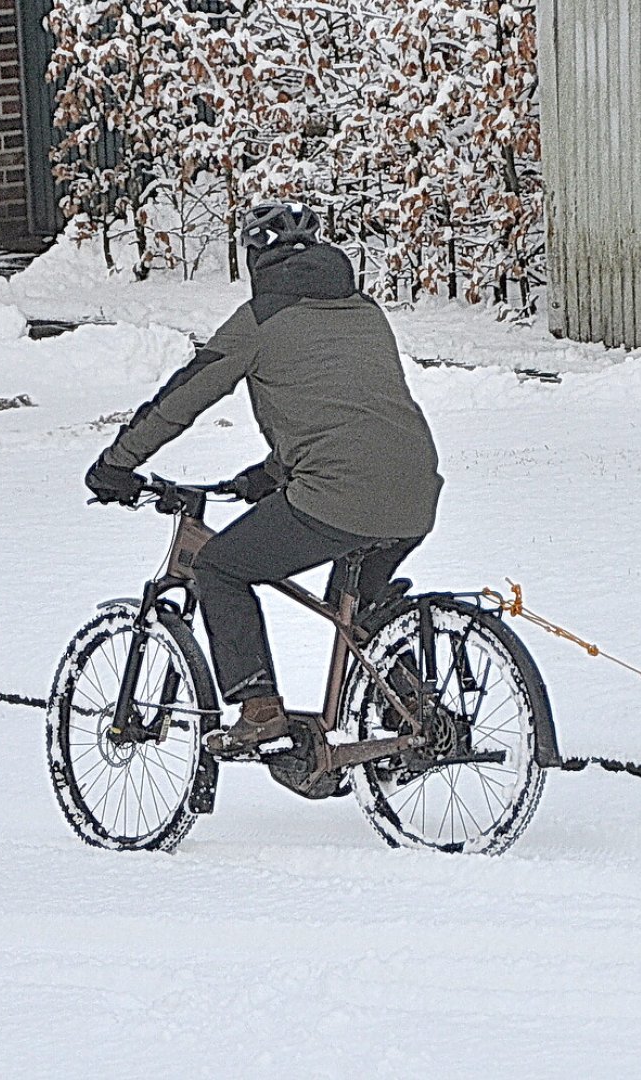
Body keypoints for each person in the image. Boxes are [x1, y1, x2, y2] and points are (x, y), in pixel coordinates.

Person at [84, 201, 443, 765]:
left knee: (218, 567)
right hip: (417, 487)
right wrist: (269, 476)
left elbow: (183, 398)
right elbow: (349, 408)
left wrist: (116, 463)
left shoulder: (260, 319)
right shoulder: (366, 310)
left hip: (337, 495)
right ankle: (414, 712)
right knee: (355, 610)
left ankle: (258, 710)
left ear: (256, 258)